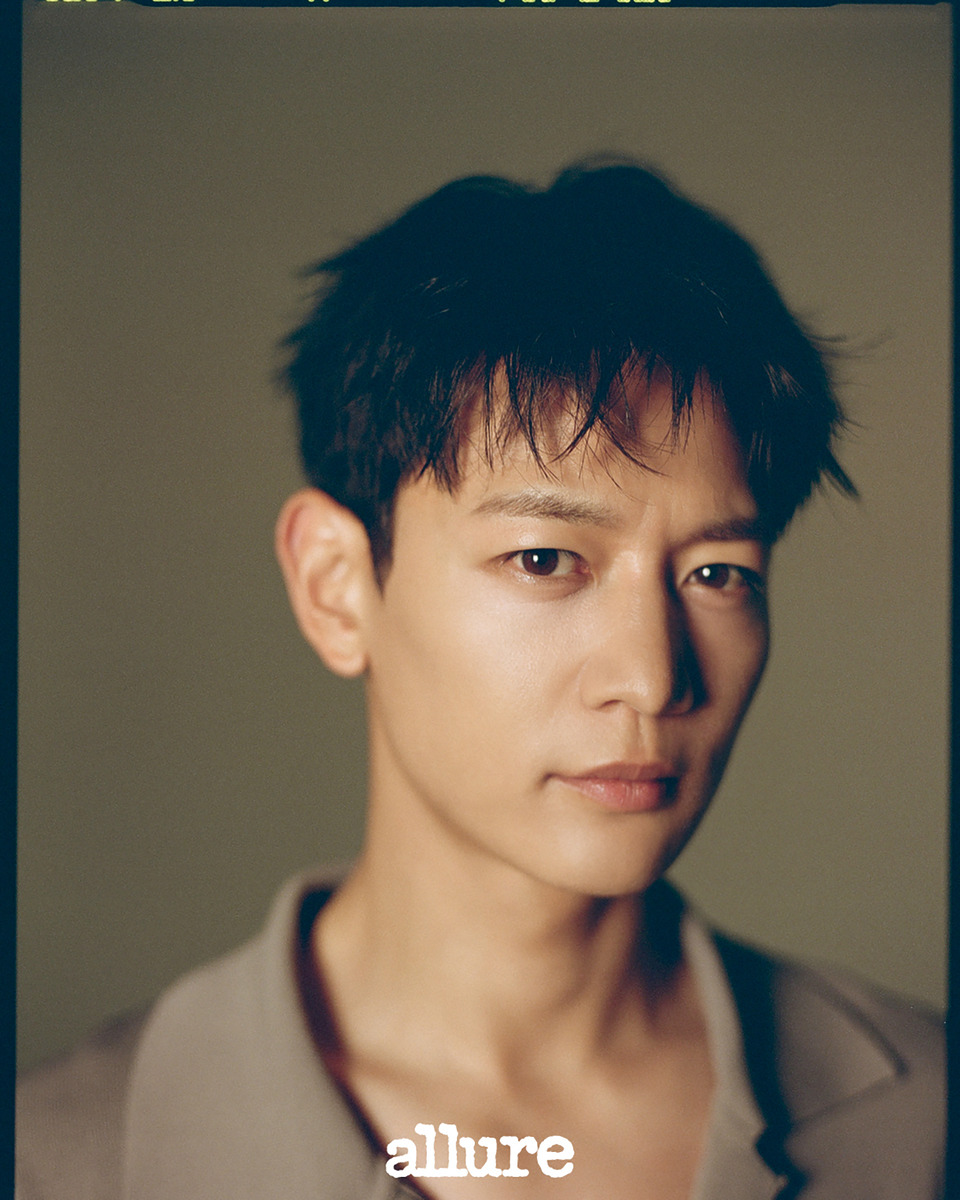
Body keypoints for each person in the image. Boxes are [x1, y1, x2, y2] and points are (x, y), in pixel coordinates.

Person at [17, 162, 944, 1200]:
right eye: (545, 559)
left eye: (717, 574)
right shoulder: (63, 1160)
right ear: (335, 586)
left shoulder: (927, 1123)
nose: (651, 678)